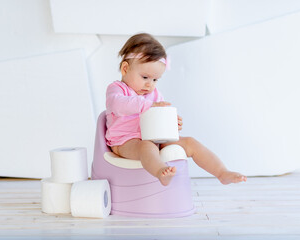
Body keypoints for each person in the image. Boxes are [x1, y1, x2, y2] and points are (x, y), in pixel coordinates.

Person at [105, 33, 247, 186]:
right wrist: (148, 105)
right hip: (125, 142)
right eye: (145, 77)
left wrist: (171, 124)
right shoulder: (117, 90)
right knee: (146, 147)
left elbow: (159, 116)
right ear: (125, 69)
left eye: (155, 80)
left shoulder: (154, 94)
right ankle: (161, 172)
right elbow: (119, 104)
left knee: (190, 143)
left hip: (154, 139)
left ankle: (221, 172)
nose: (150, 85)